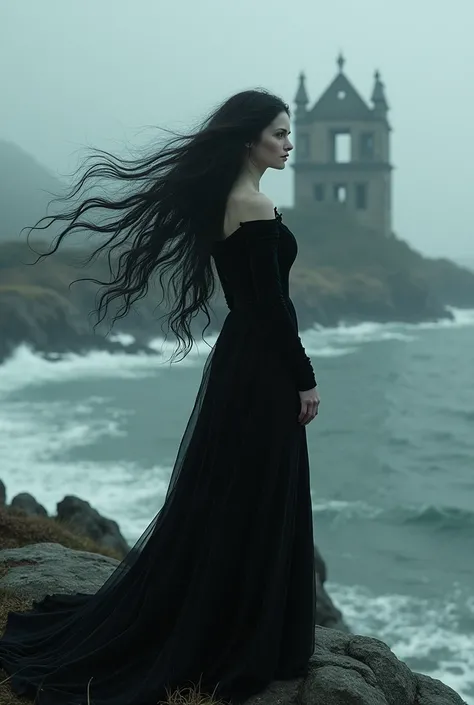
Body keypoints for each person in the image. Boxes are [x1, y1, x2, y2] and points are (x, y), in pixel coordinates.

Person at [0, 89, 320, 705]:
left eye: (289, 133)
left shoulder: (228, 199)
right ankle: (249, 631)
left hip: (243, 361)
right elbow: (271, 308)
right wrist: (304, 375)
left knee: (233, 491)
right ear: (249, 137)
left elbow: (258, 304)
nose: (288, 143)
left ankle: (230, 617)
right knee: (255, 489)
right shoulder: (252, 203)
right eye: (280, 133)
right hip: (260, 364)